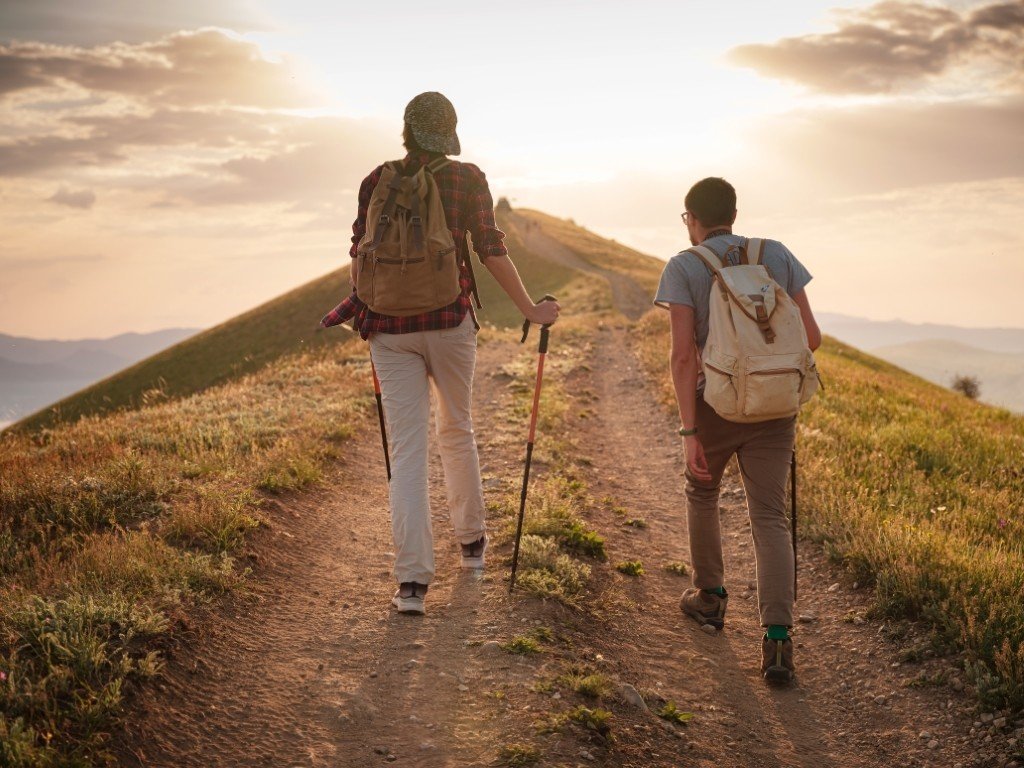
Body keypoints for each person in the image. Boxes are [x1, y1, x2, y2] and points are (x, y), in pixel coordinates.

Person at [321, 92, 559, 615]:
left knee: (408, 453)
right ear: (448, 135)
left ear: (406, 132)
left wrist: (364, 310)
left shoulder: (375, 180)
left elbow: (358, 254)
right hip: (451, 322)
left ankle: (411, 584)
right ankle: (471, 546)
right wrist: (529, 309)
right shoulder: (466, 177)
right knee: (457, 428)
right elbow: (491, 249)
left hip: (388, 329)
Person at [653, 177, 821, 682]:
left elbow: (683, 357)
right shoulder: (778, 255)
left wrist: (690, 433)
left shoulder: (685, 266)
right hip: (775, 411)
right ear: (734, 212)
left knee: (702, 491)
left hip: (717, 407)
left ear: (691, 219)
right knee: (769, 517)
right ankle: (776, 640)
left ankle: (710, 598)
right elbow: (810, 337)